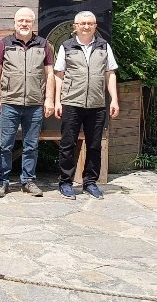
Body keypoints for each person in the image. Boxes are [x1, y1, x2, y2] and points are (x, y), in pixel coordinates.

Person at [54, 11, 119, 200]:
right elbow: (59, 75)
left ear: (95, 26)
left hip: (97, 104)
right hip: (71, 102)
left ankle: (90, 182)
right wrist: (57, 101)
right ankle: (65, 183)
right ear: (75, 26)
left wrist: (114, 99)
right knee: (67, 144)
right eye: (82, 23)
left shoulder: (104, 46)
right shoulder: (66, 46)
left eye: (90, 23)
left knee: (94, 145)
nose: (86, 26)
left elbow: (110, 74)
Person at [0, 7, 55, 198]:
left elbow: (50, 74)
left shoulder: (44, 44)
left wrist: (49, 99)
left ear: (33, 23)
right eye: (21, 21)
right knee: (5, 145)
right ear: (15, 23)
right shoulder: (4, 43)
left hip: (35, 104)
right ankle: (2, 182)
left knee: (31, 145)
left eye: (28, 21)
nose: (24, 24)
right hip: (9, 102)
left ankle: (28, 181)